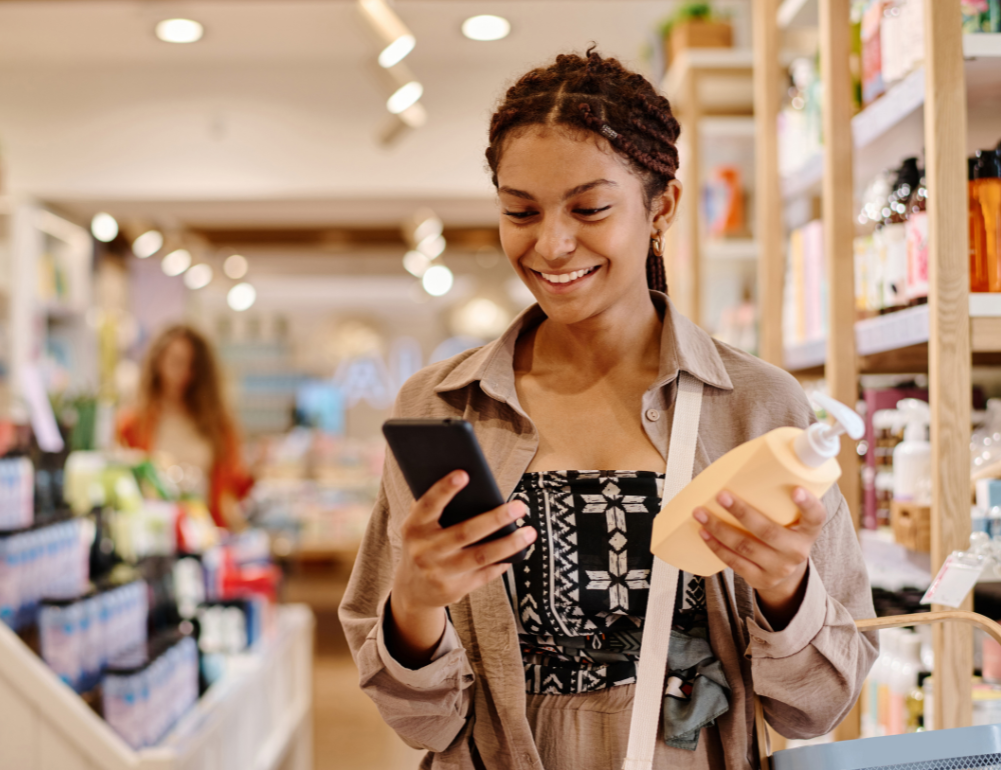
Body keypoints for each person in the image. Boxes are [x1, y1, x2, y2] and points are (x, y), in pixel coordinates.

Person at [340, 49, 877, 770]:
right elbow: (421, 721)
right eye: (519, 212)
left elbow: (817, 706)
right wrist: (413, 605)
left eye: (590, 209)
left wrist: (784, 590)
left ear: (663, 207)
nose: (552, 244)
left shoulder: (757, 404)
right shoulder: (443, 407)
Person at [117, 324, 253, 531]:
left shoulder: (218, 425)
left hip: (206, 533)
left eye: (190, 365)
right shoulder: (132, 424)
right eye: (175, 361)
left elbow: (230, 492)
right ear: (157, 361)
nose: (181, 373)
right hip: (154, 534)